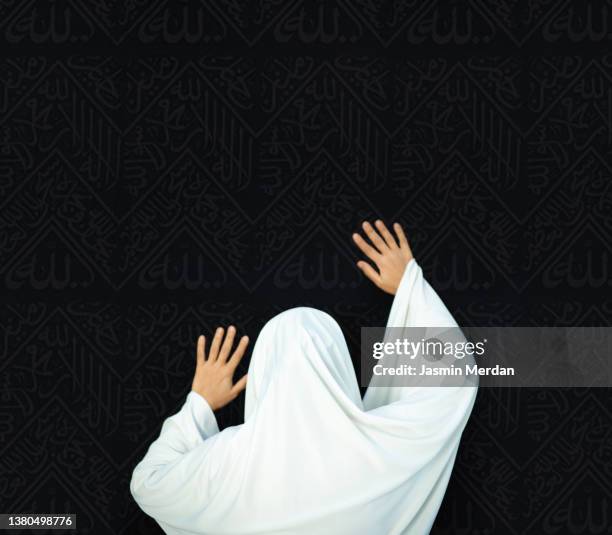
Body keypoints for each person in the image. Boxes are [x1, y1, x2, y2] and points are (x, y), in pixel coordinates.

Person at [130, 221, 478, 535]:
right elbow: (454, 381)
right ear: (338, 367)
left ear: (266, 371)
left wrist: (200, 403)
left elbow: (148, 484)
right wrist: (410, 288)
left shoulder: (229, 466)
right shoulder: (387, 450)